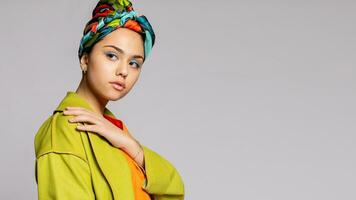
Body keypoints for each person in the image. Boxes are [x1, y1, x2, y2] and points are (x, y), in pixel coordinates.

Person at [33, 0, 185, 199]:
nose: (123, 71)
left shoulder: (115, 131)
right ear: (85, 59)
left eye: (134, 63)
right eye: (112, 55)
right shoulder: (65, 130)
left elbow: (174, 192)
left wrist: (131, 145)